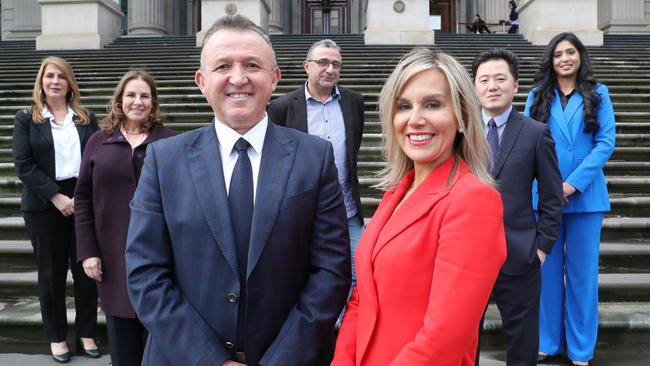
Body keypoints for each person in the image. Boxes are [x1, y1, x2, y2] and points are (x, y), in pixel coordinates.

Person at [125, 14, 351, 366]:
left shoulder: (315, 157)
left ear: (274, 78)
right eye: (223, 66)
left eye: (252, 65)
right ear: (201, 81)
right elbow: (145, 273)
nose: (238, 78)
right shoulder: (163, 159)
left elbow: (331, 271)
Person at [331, 47, 507, 365]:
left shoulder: (473, 200)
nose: (414, 119)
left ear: (463, 118)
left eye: (433, 104)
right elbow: (361, 300)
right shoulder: (397, 192)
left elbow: (443, 340)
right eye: (403, 106)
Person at [525, 32, 616, 365]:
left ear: (580, 56)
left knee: (582, 274)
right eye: (558, 53)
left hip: (586, 198)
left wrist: (571, 185)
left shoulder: (598, 93)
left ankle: (580, 349)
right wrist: (551, 187)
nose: (564, 58)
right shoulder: (537, 94)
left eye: (570, 52)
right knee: (546, 273)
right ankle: (547, 341)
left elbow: (605, 143)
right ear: (550, 59)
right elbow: (526, 144)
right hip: (544, 197)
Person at [74, 69, 176, 366]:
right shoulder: (97, 141)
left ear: (153, 102)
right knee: (121, 344)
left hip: (159, 255)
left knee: (157, 341)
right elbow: (82, 198)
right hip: (111, 254)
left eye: (145, 95)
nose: (137, 101)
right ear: (120, 99)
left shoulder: (170, 142)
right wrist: (88, 252)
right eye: (131, 94)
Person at [472, 48, 563, 366]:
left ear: (516, 85)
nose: (491, 86)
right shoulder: (460, 133)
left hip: (519, 252)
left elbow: (553, 196)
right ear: (474, 87)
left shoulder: (536, 134)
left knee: (523, 343)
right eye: (483, 80)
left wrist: (542, 247)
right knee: (463, 338)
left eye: (500, 79)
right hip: (465, 254)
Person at [12, 56, 100, 363]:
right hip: (43, 205)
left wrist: (82, 197)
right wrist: (56, 197)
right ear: (41, 81)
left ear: (69, 82)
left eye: (61, 76)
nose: (55, 81)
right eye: (49, 76)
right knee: (51, 274)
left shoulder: (87, 117)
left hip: (82, 200)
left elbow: (96, 159)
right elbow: (24, 165)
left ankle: (87, 333)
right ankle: (57, 337)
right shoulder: (27, 118)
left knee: (86, 271)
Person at [267, 38, 365, 287]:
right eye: (322, 62)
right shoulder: (282, 107)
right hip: (303, 212)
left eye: (336, 64)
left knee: (358, 274)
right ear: (306, 65)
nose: (330, 70)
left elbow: (352, 150)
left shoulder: (355, 102)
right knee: (307, 277)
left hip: (348, 211)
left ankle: (348, 325)